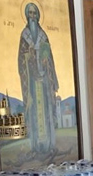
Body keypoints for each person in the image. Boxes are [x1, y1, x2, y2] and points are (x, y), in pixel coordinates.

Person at [18, 2, 59, 156]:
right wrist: (28, 55)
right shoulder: (24, 36)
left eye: (35, 13)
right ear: (26, 16)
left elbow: (50, 59)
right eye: (30, 13)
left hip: (44, 81)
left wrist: (45, 60)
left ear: (38, 15)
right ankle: (36, 146)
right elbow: (21, 60)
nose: (33, 16)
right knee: (35, 111)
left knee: (46, 109)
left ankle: (49, 144)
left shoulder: (43, 35)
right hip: (32, 82)